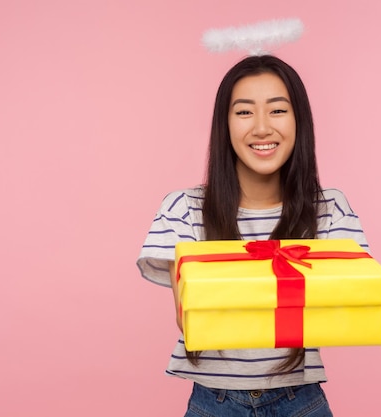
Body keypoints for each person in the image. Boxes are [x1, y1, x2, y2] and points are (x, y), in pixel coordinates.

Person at [137, 55, 369, 416]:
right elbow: (192, 318)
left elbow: (347, 302)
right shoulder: (183, 208)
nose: (262, 128)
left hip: (299, 401)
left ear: (299, 121)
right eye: (244, 112)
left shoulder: (328, 208)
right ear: (224, 124)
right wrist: (291, 285)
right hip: (214, 403)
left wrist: (231, 282)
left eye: (277, 111)